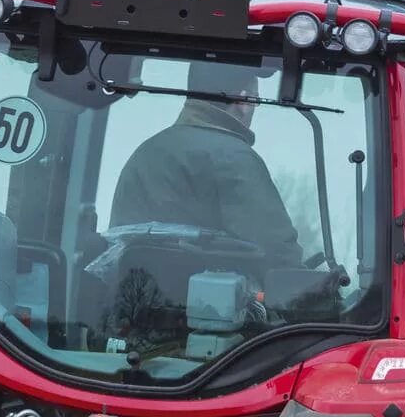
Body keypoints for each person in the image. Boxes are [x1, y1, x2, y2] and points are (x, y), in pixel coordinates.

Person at [108, 71, 305, 272]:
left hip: (128, 301)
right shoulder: (233, 157)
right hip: (204, 303)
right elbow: (278, 258)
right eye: (255, 101)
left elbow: (117, 249)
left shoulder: (144, 154)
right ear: (243, 101)